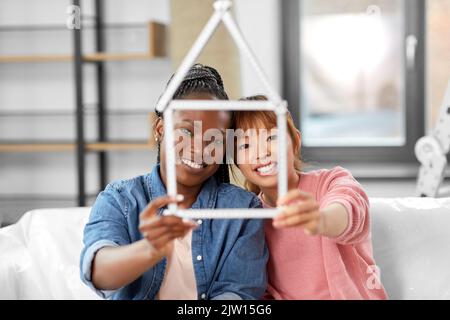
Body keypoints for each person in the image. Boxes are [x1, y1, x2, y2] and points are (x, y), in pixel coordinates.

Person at [80, 65, 268, 300]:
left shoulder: (243, 210)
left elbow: (238, 293)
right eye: (187, 132)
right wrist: (149, 250)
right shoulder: (120, 199)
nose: (200, 148)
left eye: (214, 139)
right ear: (160, 129)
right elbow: (98, 273)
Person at [232, 95, 387, 299]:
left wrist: (322, 220)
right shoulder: (249, 220)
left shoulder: (331, 181)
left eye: (271, 138)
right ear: (236, 161)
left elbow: (350, 208)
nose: (261, 153)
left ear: (295, 141)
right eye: (245, 146)